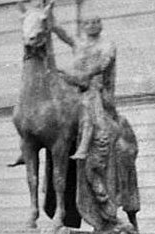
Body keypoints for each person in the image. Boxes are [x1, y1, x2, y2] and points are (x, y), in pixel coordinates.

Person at [53, 16, 117, 161]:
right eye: (87, 23)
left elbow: (104, 63)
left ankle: (84, 144)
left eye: (95, 22)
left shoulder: (107, 45)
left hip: (95, 87)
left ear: (100, 25)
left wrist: (85, 75)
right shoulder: (79, 43)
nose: (91, 25)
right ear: (83, 26)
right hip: (74, 84)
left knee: (87, 102)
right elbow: (60, 31)